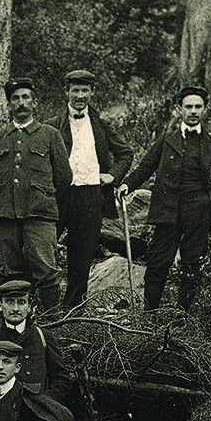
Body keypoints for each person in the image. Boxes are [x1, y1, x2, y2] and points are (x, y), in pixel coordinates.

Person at [118, 87, 211, 318]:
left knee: (192, 265)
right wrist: (127, 185)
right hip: (167, 210)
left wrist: (210, 200)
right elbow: (146, 166)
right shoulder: (167, 139)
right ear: (179, 109)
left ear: (205, 109)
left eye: (198, 107)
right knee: (157, 262)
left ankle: (183, 318)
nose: (193, 111)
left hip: (197, 212)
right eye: (188, 106)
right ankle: (149, 316)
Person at [0, 79, 72, 310]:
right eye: (15, 98)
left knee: (46, 271)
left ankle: (50, 322)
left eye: (26, 97)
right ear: (9, 104)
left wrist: (40, 195)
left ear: (34, 102)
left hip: (39, 216)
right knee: (12, 272)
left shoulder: (50, 135)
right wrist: (5, 196)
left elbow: (63, 177)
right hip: (5, 217)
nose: (21, 102)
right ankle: (15, 322)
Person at [46, 70, 133, 311]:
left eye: (85, 90)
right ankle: (40, 305)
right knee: (43, 248)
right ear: (67, 91)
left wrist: (112, 175)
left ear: (92, 92)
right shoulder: (52, 125)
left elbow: (125, 153)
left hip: (90, 196)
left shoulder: (101, 125)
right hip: (59, 195)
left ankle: (72, 309)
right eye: (75, 90)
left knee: (82, 254)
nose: (80, 96)